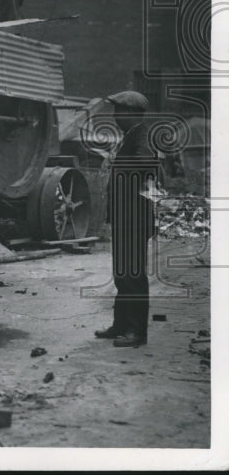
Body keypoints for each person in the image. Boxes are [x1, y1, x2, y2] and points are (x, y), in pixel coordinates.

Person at [94, 90, 158, 347]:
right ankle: (120, 325)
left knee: (133, 275)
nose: (115, 116)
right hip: (125, 218)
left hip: (133, 219)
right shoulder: (132, 136)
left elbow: (147, 164)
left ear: (131, 113)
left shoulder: (142, 136)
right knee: (122, 274)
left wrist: (120, 167)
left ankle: (136, 332)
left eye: (118, 111)